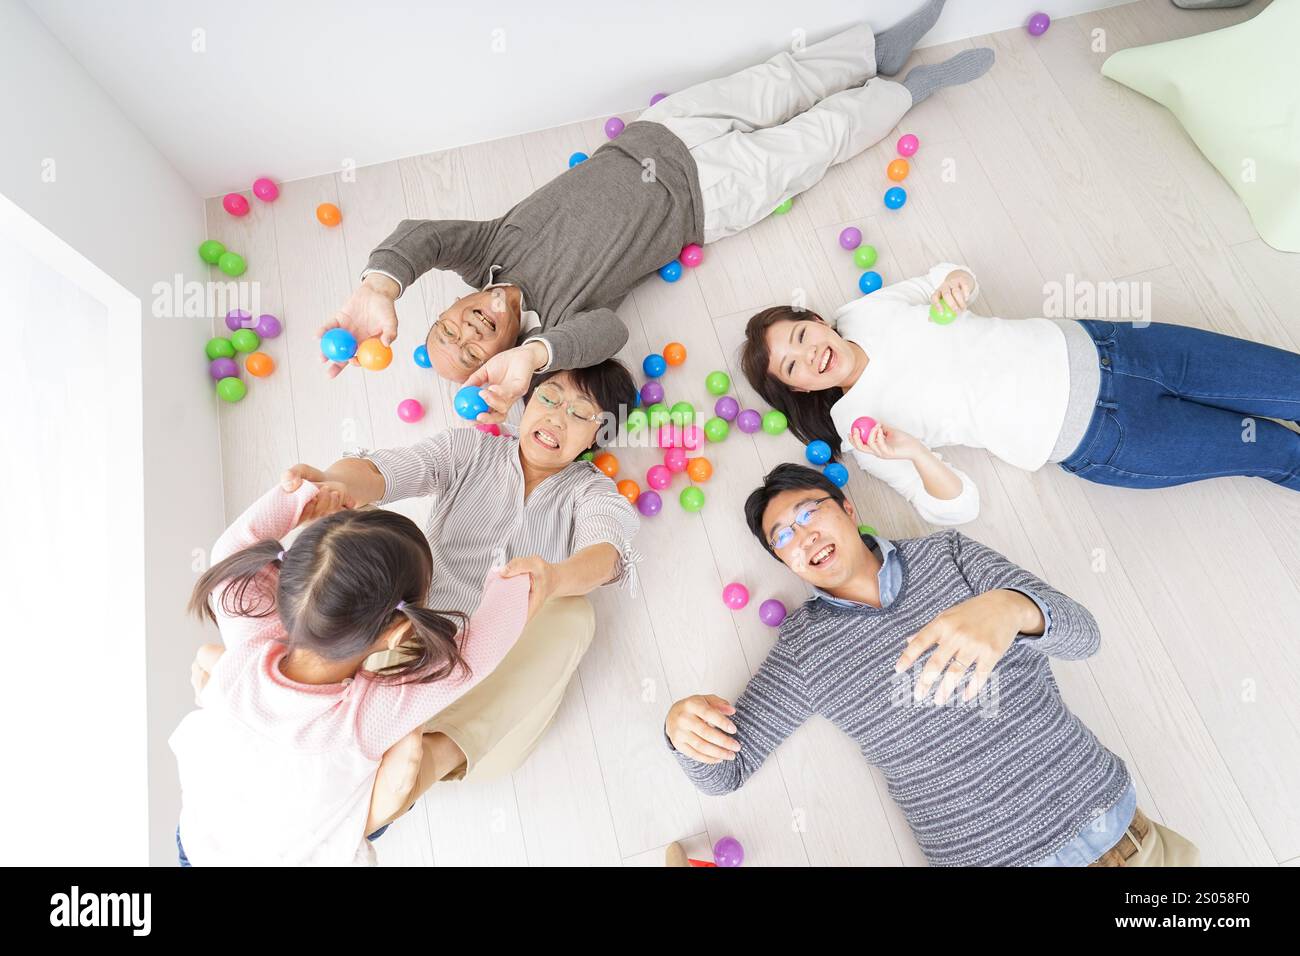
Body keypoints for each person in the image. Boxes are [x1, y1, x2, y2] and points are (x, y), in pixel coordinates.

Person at [321, 1, 995, 425]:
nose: (469, 332)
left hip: (660, 134)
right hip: (710, 198)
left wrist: (378, 286)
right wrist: (533, 358)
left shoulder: (488, 250)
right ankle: (906, 93)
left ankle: (875, 51)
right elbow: (607, 332)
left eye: (449, 329)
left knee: (781, 79)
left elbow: (418, 236)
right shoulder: (556, 324)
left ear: (444, 308)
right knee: (819, 141)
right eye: (474, 350)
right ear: (495, 354)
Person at [663, 464, 1201, 866]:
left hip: (1127, 843)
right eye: (783, 537)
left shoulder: (949, 556)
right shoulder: (805, 650)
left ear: (848, 510)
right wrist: (680, 729)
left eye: (810, 513)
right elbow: (724, 771)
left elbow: (1085, 638)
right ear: (786, 562)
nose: (803, 536)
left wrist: (1011, 607)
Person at [279, 360, 641, 812]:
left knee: (575, 612)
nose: (556, 417)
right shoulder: (470, 450)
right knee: (366, 538)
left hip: (494, 708)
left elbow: (607, 556)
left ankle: (428, 755)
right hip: (411, 660)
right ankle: (353, 765)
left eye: (580, 413)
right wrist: (333, 483)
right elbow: (383, 472)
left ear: (597, 437)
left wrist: (552, 580)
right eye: (549, 398)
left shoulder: (593, 494)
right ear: (527, 402)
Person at [740, 263, 1300, 523]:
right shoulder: (864, 431)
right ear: (799, 388)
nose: (809, 353)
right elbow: (956, 505)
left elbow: (946, 274)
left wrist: (957, 284)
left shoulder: (863, 311)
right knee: (1275, 452)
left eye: (800, 335)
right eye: (794, 367)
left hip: (1113, 346)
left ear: (816, 319)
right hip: (1108, 437)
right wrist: (911, 451)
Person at [171, 479, 531, 865]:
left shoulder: (246, 646)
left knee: (213, 660)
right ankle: (447, 754)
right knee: (404, 758)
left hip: (203, 848)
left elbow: (231, 550)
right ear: (397, 633)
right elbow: (478, 654)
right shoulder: (368, 715)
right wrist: (514, 582)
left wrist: (297, 495)